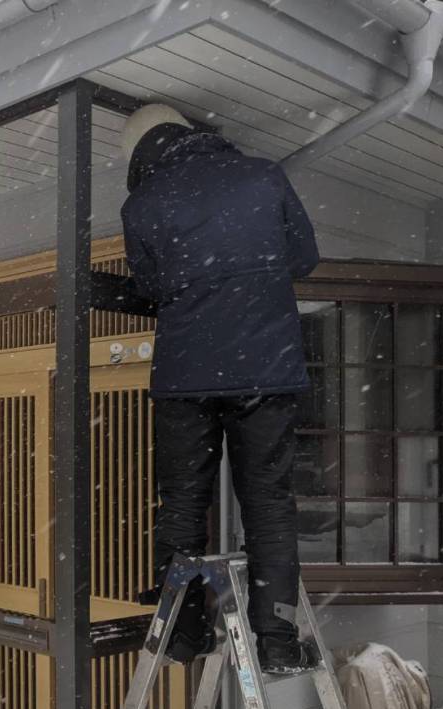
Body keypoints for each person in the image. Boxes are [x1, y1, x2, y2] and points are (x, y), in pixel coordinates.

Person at [118, 104, 321, 673]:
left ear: (142, 154)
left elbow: (150, 284)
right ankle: (277, 640)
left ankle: (183, 630)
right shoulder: (263, 175)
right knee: (269, 505)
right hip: (265, 368)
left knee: (182, 503)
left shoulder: (143, 203)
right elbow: (303, 258)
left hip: (186, 376)